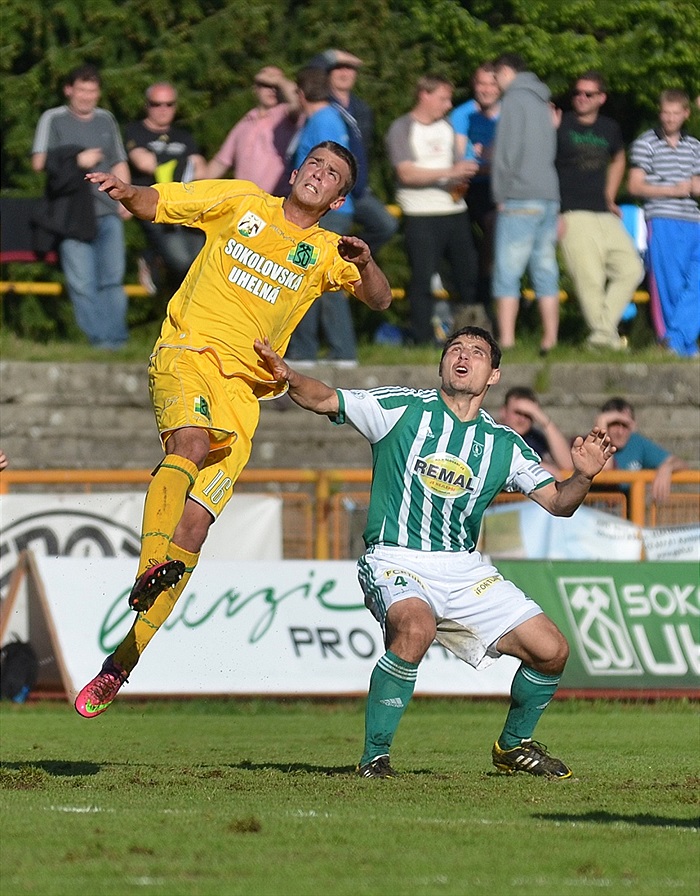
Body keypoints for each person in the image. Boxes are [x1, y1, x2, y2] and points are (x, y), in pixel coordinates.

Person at [73, 141, 392, 719]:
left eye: (334, 176)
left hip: (245, 393)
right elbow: (160, 203)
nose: (319, 176)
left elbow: (381, 299)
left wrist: (366, 261)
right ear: (296, 173)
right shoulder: (240, 201)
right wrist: (127, 192)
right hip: (187, 352)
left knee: (192, 531)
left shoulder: (326, 251)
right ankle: (149, 563)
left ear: (340, 198)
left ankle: (121, 663)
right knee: (190, 444)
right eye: (314, 165)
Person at [255, 326, 615, 779]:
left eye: (477, 352)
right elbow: (327, 398)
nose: (463, 356)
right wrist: (289, 375)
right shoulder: (402, 409)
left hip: (463, 568)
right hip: (395, 557)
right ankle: (375, 758)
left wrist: (582, 477)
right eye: (455, 349)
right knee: (416, 627)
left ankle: (513, 746)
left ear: (494, 376)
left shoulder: (503, 446)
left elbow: (560, 504)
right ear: (442, 364)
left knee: (552, 650)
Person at [31, 64, 130, 350]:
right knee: (82, 284)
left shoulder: (106, 120)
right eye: (82, 90)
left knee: (112, 281)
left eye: (93, 91)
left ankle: (117, 342)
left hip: (108, 212)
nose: (88, 97)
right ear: (69, 90)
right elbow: (39, 163)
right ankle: (100, 342)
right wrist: (76, 161)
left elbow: (118, 161)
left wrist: (127, 197)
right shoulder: (54, 119)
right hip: (72, 215)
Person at [386, 74, 481, 346]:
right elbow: (406, 173)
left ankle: (474, 336)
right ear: (424, 95)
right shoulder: (402, 128)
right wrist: (449, 172)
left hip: (454, 209)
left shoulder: (448, 128)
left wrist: (462, 172)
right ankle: (422, 337)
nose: (448, 104)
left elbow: (456, 164)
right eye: (443, 98)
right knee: (422, 279)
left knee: (467, 276)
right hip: (420, 213)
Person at [556, 72, 644, 351]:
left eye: (588, 94)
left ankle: (602, 335)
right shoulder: (560, 124)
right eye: (577, 93)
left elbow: (619, 158)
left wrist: (609, 195)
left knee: (632, 269)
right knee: (589, 279)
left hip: (604, 212)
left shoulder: (609, 128)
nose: (580, 98)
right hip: (571, 212)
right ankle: (605, 339)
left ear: (601, 98)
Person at [285, 67, 360, 366]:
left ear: (301, 95)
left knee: (312, 279)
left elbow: (336, 167)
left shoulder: (323, 120)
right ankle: (326, 351)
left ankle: (325, 352)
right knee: (314, 279)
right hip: (329, 210)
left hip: (327, 212)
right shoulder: (327, 117)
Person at [491, 54, 560, 354]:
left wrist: (499, 195)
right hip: (549, 193)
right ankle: (551, 339)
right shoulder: (543, 101)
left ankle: (506, 339)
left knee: (508, 270)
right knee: (545, 269)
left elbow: (507, 152)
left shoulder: (514, 100)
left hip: (519, 194)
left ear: (506, 72)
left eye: (496, 77)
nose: (495, 84)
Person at [628, 90, 700, 358]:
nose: (669, 118)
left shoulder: (694, 146)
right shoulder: (646, 143)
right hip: (662, 218)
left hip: (693, 221)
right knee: (669, 285)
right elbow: (634, 185)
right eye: (665, 113)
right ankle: (678, 345)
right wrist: (674, 189)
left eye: (675, 113)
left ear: (685, 114)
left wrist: (693, 187)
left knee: (697, 283)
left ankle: (677, 339)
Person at [308, 48, 398, 256]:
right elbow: (311, 71)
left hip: (357, 189)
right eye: (338, 68)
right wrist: (333, 55)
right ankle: (331, 264)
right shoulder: (324, 104)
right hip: (331, 185)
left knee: (386, 225)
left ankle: (345, 257)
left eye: (350, 69)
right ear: (328, 74)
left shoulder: (361, 108)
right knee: (326, 239)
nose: (344, 73)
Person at [124, 81, 207, 289]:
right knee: (180, 260)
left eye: (169, 104)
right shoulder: (135, 131)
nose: (163, 109)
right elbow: (143, 163)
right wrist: (183, 163)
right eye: (157, 104)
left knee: (200, 260)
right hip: (154, 206)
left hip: (184, 206)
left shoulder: (184, 137)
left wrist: (163, 161)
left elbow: (202, 171)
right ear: (147, 106)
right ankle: (153, 258)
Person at [450, 63, 501, 310]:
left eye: (492, 84)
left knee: (494, 232)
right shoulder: (461, 115)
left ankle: (487, 296)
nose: (487, 89)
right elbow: (459, 158)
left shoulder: (509, 116)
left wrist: (486, 164)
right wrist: (487, 162)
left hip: (496, 187)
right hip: (465, 185)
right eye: (482, 83)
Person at [206, 66, 300, 196]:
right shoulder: (245, 122)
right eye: (266, 85)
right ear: (255, 89)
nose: (272, 90)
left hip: (274, 200)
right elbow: (220, 162)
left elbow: (299, 99)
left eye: (276, 86)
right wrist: (194, 188)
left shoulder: (286, 115)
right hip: (243, 200)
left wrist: (279, 80)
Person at [595, 398, 687, 502]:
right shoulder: (589, 442)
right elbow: (606, 469)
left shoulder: (636, 442)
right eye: (615, 423)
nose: (620, 432)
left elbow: (680, 463)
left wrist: (667, 467)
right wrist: (602, 423)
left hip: (625, 514)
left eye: (625, 425)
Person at [499, 386, 571, 477]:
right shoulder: (494, 435)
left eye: (528, 414)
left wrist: (546, 423)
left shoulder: (536, 439)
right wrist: (539, 467)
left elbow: (567, 466)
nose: (522, 419)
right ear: (503, 412)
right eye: (518, 412)